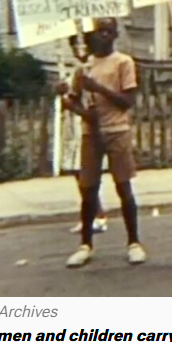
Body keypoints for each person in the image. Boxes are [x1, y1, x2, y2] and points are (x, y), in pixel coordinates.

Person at [61, 18, 146, 268]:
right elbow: (75, 99)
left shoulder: (123, 62)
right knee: (89, 188)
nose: (104, 37)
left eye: (109, 32)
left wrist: (98, 88)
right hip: (91, 132)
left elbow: (127, 101)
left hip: (117, 130)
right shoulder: (84, 67)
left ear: (116, 35)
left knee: (123, 186)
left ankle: (134, 242)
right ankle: (85, 244)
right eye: (100, 32)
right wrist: (75, 107)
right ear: (93, 35)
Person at [56, 33, 108, 235]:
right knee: (78, 173)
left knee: (88, 173)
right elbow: (70, 96)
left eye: (82, 46)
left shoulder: (94, 68)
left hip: (87, 125)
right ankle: (90, 214)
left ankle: (99, 214)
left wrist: (72, 104)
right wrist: (61, 92)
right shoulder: (77, 70)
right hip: (73, 125)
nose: (79, 51)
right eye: (75, 46)